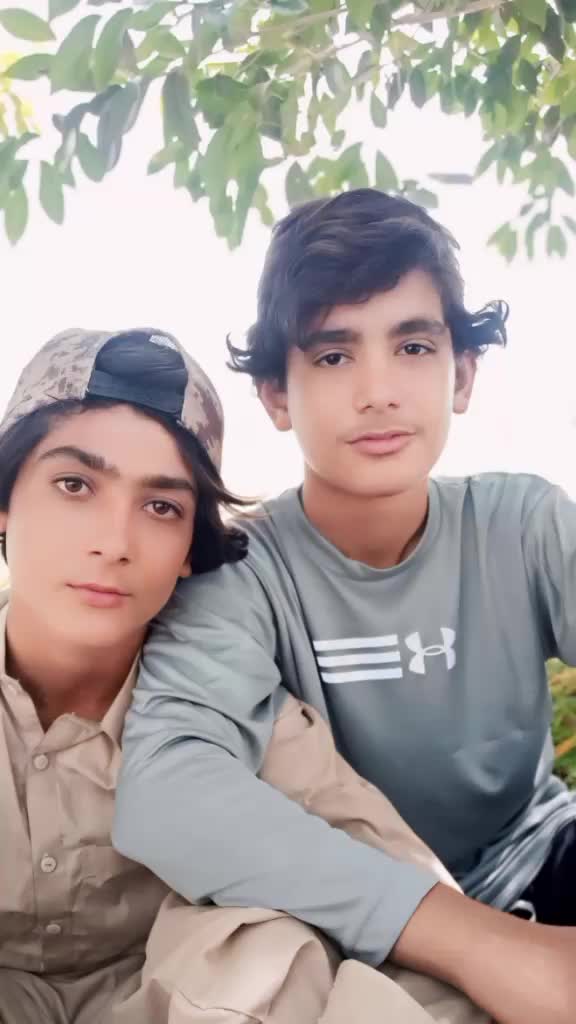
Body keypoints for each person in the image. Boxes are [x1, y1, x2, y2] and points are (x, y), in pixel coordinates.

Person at [115, 189, 576, 1024]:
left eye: (413, 346)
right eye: (332, 355)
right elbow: (167, 790)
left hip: (540, 854)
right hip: (345, 905)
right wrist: (482, 945)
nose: (378, 391)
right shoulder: (240, 572)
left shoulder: (525, 525)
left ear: (461, 374)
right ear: (275, 395)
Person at [0, 327, 480, 1024]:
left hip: (181, 1002)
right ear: (6, 503)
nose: (114, 542)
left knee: (268, 941)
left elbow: (408, 899)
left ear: (189, 551)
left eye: (161, 507)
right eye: (74, 485)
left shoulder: (229, 710)